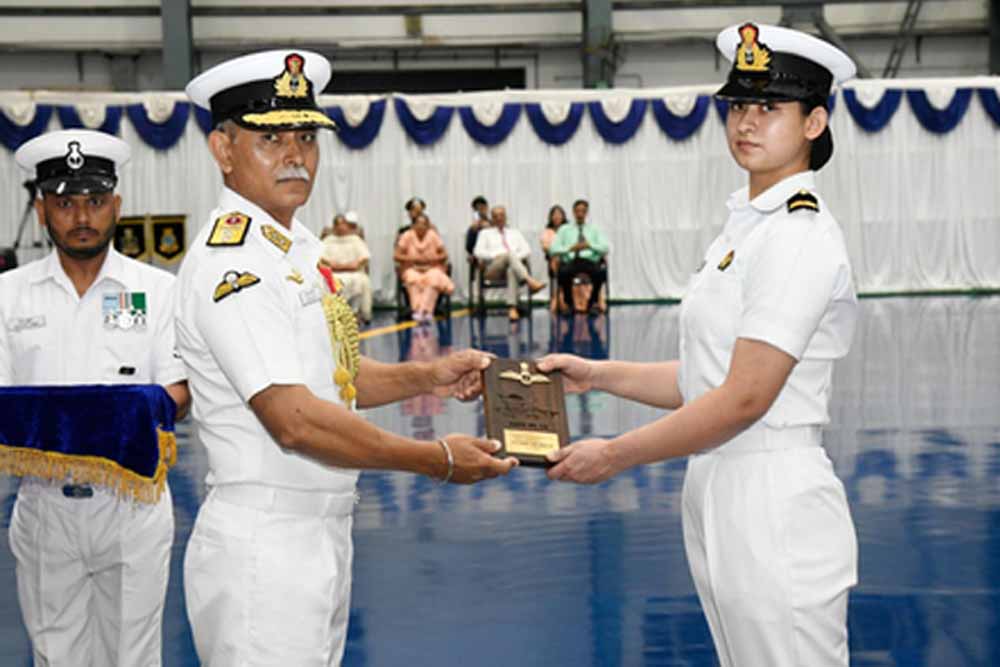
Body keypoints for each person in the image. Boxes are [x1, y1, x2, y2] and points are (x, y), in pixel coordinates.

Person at [180, 50, 515, 666]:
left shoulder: (295, 249)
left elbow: (333, 376)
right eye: (271, 138)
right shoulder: (235, 265)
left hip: (321, 530)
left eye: (306, 137)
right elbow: (294, 420)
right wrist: (435, 459)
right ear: (222, 150)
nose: (295, 155)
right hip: (266, 544)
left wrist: (427, 376)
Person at [538, 23, 858, 667]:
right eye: (738, 106)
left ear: (815, 122)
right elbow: (704, 379)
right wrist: (595, 374)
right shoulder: (747, 229)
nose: (747, 121)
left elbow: (744, 399)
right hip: (720, 483)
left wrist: (615, 455)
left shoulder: (798, 235)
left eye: (770, 107)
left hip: (771, 489)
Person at [0, 129, 190, 666]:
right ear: (42, 211)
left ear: (117, 206)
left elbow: (179, 390)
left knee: (133, 656)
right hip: (44, 507)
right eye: (65, 204)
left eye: (95, 201)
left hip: (132, 507)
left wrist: (136, 413)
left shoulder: (159, 291)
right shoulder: (8, 296)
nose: (82, 216)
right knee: (55, 655)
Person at [472, 205, 546, 321]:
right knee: (509, 255)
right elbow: (477, 252)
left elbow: (527, 250)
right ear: (492, 218)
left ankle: (512, 309)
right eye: (496, 216)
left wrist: (512, 258)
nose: (499, 218)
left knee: (511, 269)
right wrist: (495, 255)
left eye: (501, 215)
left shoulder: (515, 233)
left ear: (506, 217)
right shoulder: (485, 233)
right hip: (493, 269)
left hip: (513, 268)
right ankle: (529, 281)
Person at [547, 198, 609, 315]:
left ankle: (592, 303)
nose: (580, 214)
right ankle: (569, 304)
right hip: (571, 260)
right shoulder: (564, 229)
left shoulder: (594, 229)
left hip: (589, 261)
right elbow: (553, 249)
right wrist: (570, 249)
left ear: (586, 212)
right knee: (563, 272)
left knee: (600, 272)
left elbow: (605, 247)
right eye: (578, 211)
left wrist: (590, 245)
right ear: (573, 212)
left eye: (583, 211)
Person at [394, 212, 454, 323]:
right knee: (413, 280)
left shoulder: (433, 235)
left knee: (433, 279)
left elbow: (445, 255)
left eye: (424, 224)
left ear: (428, 226)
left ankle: (424, 311)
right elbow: (396, 256)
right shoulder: (407, 236)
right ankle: (419, 311)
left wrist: (432, 259)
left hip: (432, 268)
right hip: (412, 268)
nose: (421, 226)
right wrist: (412, 259)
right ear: (413, 225)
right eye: (418, 223)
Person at [320, 210, 373, 323]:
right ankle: (333, 314)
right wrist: (334, 266)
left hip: (354, 272)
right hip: (333, 272)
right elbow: (322, 258)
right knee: (325, 283)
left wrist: (352, 266)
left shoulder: (355, 239)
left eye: (343, 224)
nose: (341, 227)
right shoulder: (328, 240)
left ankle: (356, 312)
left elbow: (364, 258)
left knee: (361, 281)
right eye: (338, 224)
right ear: (334, 226)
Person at [540, 204, 567, 311]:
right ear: (551, 217)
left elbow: (572, 244)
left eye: (559, 214)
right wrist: (560, 250)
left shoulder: (568, 230)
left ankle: (558, 296)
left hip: (569, 258)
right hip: (556, 259)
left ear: (563, 216)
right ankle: (561, 296)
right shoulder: (547, 232)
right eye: (554, 215)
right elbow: (546, 247)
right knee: (556, 259)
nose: (557, 217)